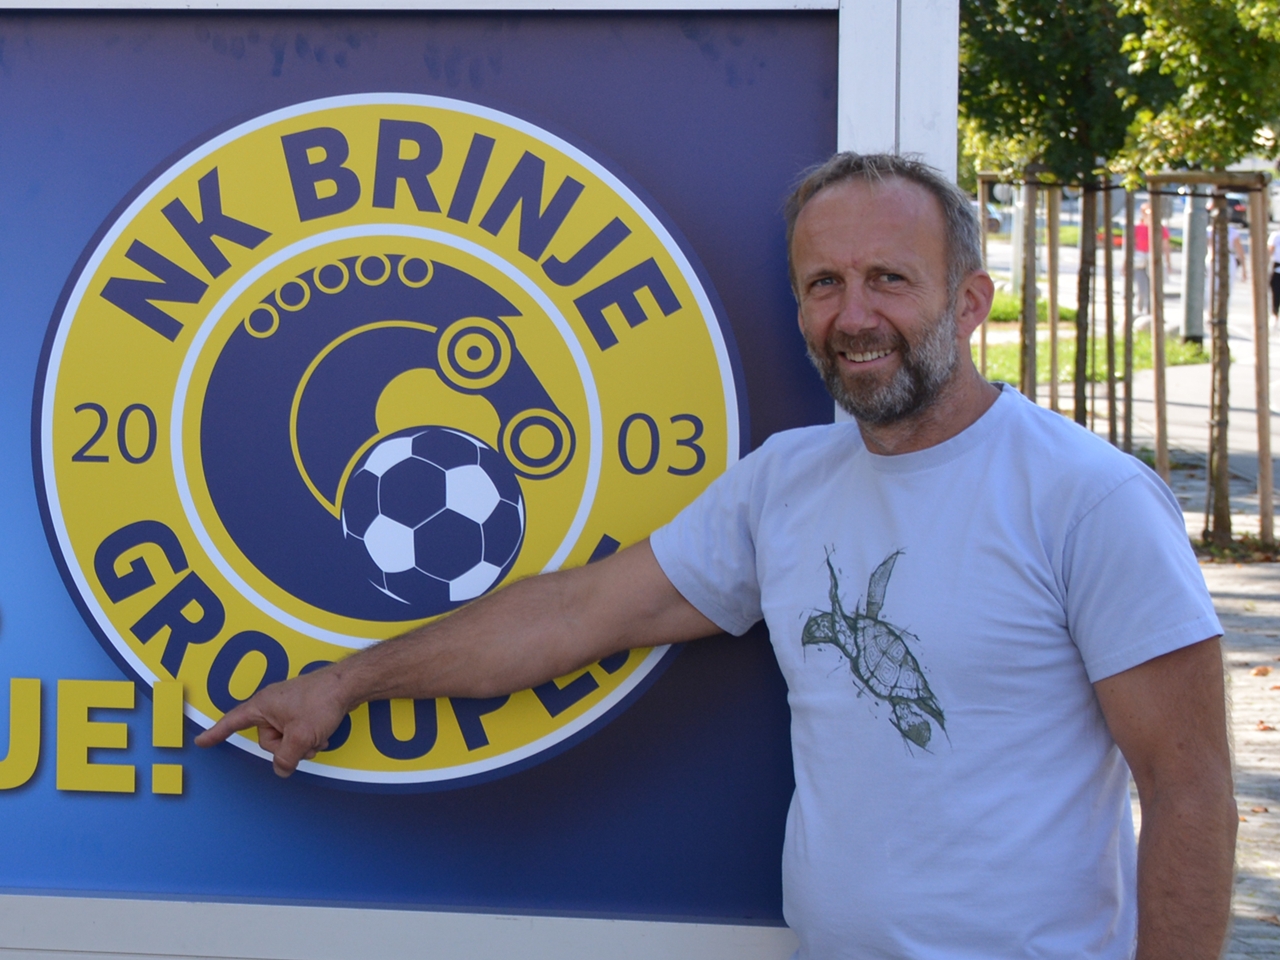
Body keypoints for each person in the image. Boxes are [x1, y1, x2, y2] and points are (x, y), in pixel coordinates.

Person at [197, 153, 1235, 960]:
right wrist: (345, 682)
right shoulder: (787, 483)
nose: (854, 316)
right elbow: (573, 615)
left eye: (888, 279)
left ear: (968, 301)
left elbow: (1188, 791)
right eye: (822, 284)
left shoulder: (1088, 500)